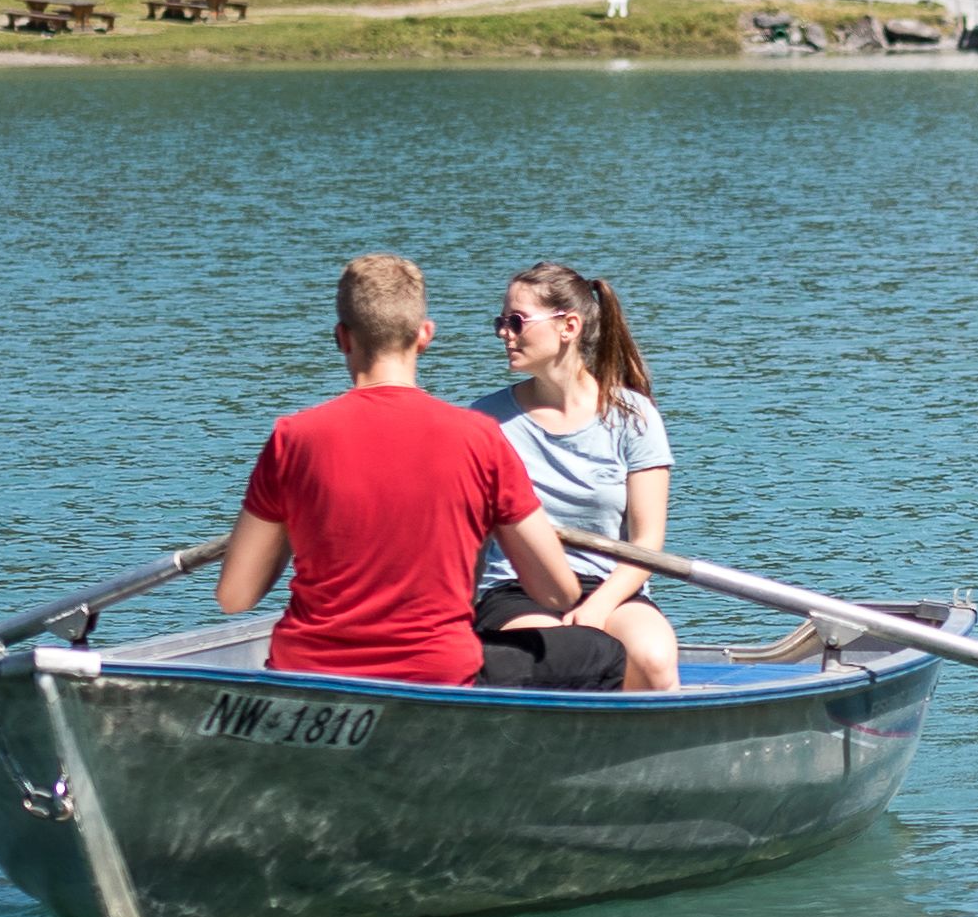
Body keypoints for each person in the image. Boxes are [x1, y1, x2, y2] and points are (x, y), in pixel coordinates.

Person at [216, 256, 611, 687]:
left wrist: (294, 525)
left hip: (308, 672)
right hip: (438, 674)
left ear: (342, 338)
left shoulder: (292, 437)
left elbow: (235, 596)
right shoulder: (480, 437)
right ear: (425, 336)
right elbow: (559, 592)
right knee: (603, 651)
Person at [473, 263, 681, 692]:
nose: (503, 334)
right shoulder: (485, 421)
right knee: (554, 661)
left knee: (655, 660)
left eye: (516, 322)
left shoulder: (634, 415)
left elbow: (647, 542)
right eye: (501, 322)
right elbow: (468, 540)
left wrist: (599, 606)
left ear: (569, 326)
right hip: (516, 588)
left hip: (612, 586)